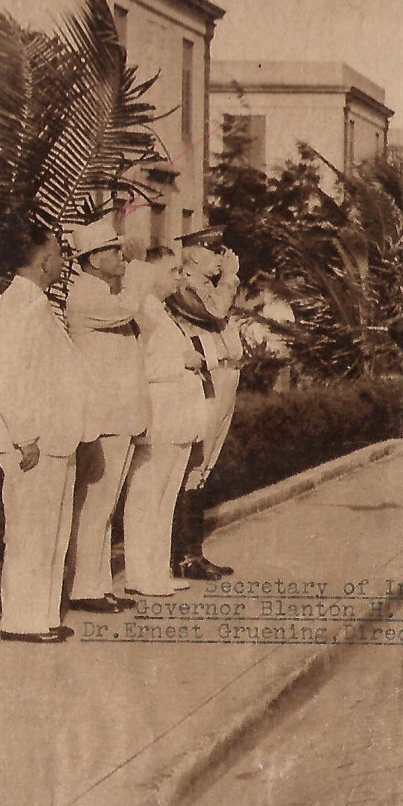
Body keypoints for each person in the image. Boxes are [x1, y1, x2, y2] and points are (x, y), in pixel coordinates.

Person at [0, 222, 86, 643]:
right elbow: (3, 378)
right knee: (30, 532)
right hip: (32, 441)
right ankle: (22, 619)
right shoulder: (19, 303)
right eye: (57, 252)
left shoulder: (32, 300)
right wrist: (26, 437)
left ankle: (43, 615)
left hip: (51, 438)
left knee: (50, 532)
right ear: (43, 262)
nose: (61, 259)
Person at [62, 218, 147, 614]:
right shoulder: (87, 295)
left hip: (119, 417)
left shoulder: (101, 292)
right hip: (106, 417)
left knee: (104, 504)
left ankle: (95, 584)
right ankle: (83, 588)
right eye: (114, 250)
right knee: (96, 504)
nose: (121, 256)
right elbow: (130, 305)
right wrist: (141, 268)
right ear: (94, 259)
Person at [123, 252, 209, 597]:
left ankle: (157, 570)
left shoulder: (161, 310)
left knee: (166, 499)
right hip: (159, 418)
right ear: (151, 270)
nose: (179, 277)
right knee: (146, 497)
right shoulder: (141, 309)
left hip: (178, 420)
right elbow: (140, 366)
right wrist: (184, 361)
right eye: (172, 270)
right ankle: (139, 574)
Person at [170, 225, 241, 581]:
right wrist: (230, 279)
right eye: (215, 252)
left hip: (225, 377)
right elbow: (212, 313)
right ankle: (184, 556)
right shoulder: (185, 287)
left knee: (204, 466)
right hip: (206, 381)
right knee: (193, 465)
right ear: (195, 255)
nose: (221, 259)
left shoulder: (210, 288)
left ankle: (192, 552)